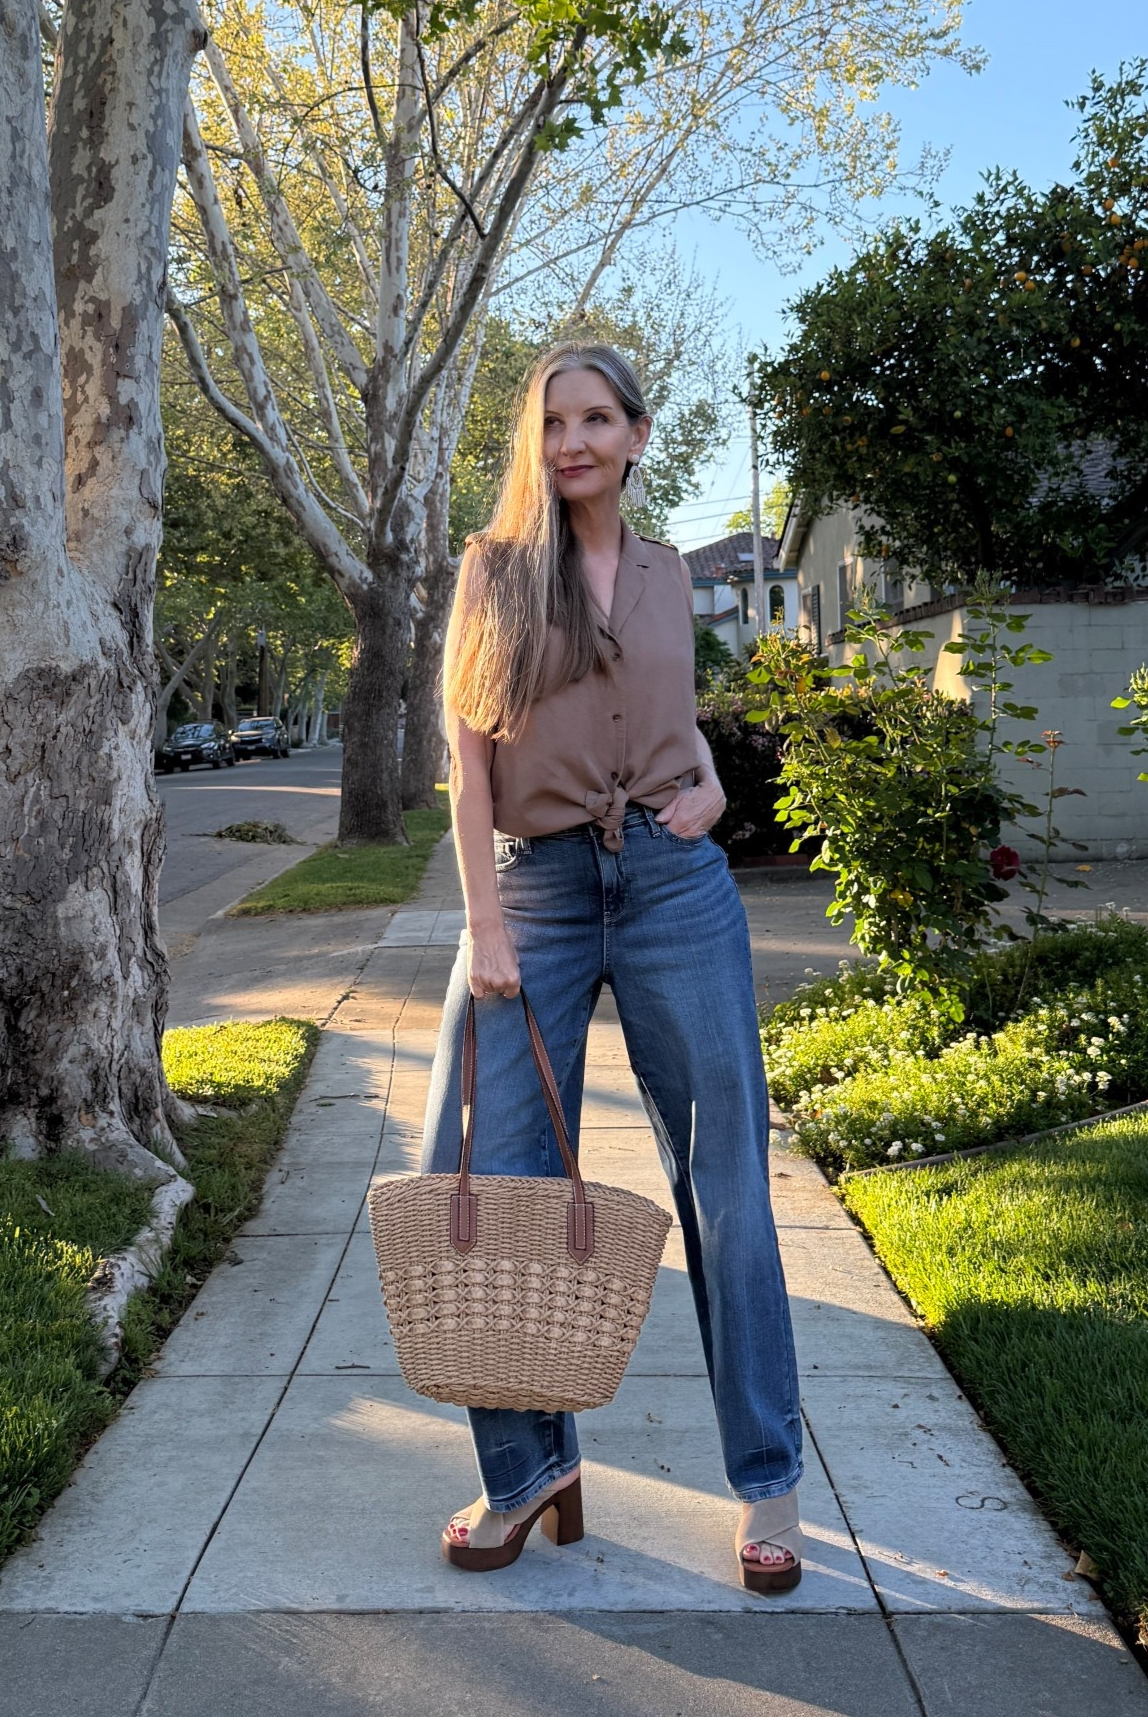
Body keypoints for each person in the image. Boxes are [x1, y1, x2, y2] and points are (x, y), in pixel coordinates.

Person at [421, 339, 805, 1592]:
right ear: (531, 445)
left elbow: (677, 713)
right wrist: (483, 923)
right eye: (552, 423)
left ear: (638, 434)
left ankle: (768, 1477)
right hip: (529, 896)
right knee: (489, 1183)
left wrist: (709, 786)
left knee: (728, 1181)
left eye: (596, 419)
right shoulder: (492, 572)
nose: (573, 441)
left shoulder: (666, 571)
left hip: (672, 889)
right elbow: (469, 763)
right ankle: (525, 1465)